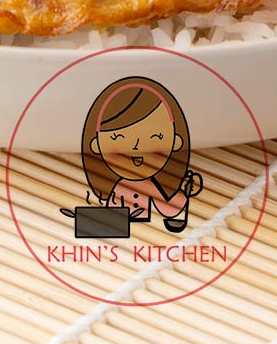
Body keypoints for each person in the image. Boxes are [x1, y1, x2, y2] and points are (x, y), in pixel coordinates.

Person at [81, 77, 203, 233]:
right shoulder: (119, 188)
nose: (137, 147)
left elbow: (171, 211)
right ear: (96, 145)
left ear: (176, 141)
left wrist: (182, 196)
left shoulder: (153, 187)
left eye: (156, 137)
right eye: (119, 137)